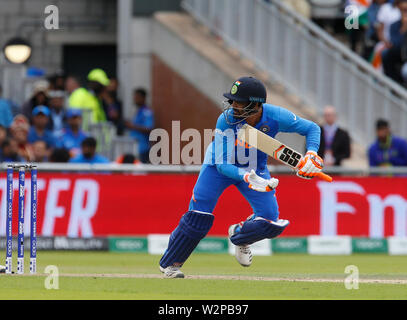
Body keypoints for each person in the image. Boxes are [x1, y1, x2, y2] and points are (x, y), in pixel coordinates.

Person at [159, 76, 323, 278]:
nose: (233, 106)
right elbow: (222, 165)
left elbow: (312, 128)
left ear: (256, 105)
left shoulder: (276, 116)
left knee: (270, 222)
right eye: (233, 101)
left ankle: (240, 235)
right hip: (218, 167)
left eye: (239, 102)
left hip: (255, 166)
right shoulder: (226, 120)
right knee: (198, 218)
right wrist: (246, 177)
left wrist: (312, 153)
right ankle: (171, 265)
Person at [125, 88, 154, 163]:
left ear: (143, 98)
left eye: (137, 97)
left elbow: (149, 128)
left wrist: (132, 126)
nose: (135, 99)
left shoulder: (146, 112)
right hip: (135, 148)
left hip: (143, 148)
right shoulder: (138, 111)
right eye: (134, 97)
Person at [382, 0, 407, 83]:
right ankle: (394, 84)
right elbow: (395, 43)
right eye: (403, 11)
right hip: (400, 54)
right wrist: (403, 28)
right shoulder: (395, 25)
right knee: (386, 54)